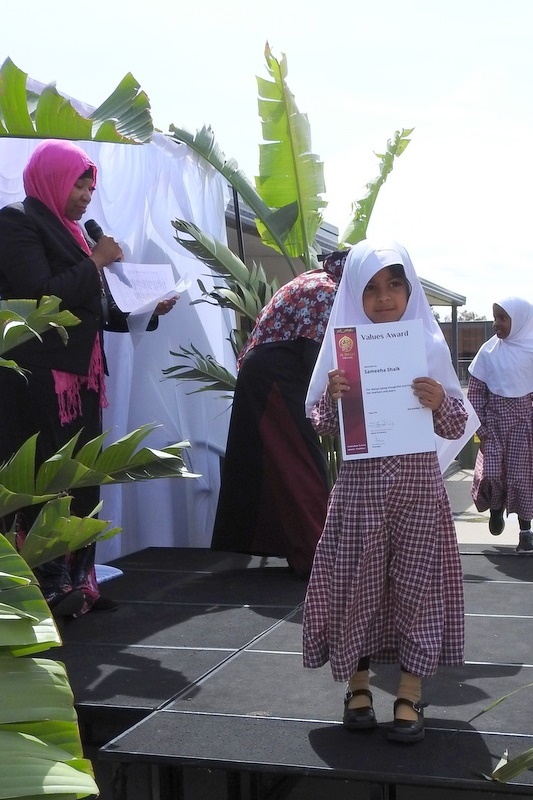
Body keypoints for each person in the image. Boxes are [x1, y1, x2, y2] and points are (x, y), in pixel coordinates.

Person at [303, 239, 476, 743]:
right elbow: (319, 420)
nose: (383, 298)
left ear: (408, 289)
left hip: (418, 490)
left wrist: (440, 399)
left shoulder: (427, 343)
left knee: (417, 587)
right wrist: (332, 402)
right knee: (356, 586)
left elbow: (456, 423)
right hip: (359, 493)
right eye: (372, 287)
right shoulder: (343, 347)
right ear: (355, 292)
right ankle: (358, 687)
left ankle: (409, 691)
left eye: (394, 285)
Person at [0, 139, 176, 618]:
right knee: (45, 482)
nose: (85, 195)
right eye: (78, 183)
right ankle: (42, 590)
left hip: (82, 380)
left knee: (81, 481)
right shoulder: (17, 221)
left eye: (90, 186)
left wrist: (144, 307)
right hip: (37, 382)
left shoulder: (74, 235)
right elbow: (38, 295)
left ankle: (79, 583)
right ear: (52, 179)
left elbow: (91, 309)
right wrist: (96, 262)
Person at [211, 252, 346, 577]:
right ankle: (317, 558)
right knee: (300, 463)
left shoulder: (319, 279)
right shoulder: (328, 291)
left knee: (274, 465)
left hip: (269, 373)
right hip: (276, 376)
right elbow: (318, 360)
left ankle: (302, 550)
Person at [467, 297, 533, 553]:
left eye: (502, 318)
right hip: (493, 426)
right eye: (495, 318)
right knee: (492, 473)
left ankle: (525, 531)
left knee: (521, 478)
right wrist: (480, 428)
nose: (497, 324)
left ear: (519, 321)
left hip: (523, 428)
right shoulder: (488, 352)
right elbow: (474, 393)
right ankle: (496, 509)